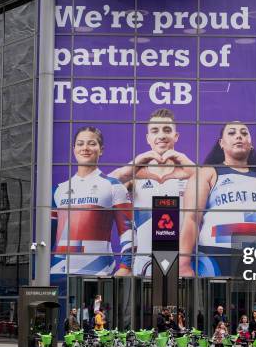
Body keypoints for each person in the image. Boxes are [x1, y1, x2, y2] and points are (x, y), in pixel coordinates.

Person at [179, 122, 256, 277]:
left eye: (244, 133)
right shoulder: (208, 174)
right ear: (221, 143)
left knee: (252, 302)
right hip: (216, 256)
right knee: (217, 301)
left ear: (251, 143)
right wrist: (183, 264)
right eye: (232, 133)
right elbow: (191, 219)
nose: (239, 136)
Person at [109, 109, 193, 276]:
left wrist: (191, 166)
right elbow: (102, 188)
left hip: (180, 261)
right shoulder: (136, 175)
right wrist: (133, 164)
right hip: (143, 261)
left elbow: (214, 187)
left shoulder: (189, 174)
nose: (161, 135)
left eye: (167, 130)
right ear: (148, 138)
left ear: (176, 136)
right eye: (155, 131)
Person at [51, 127, 134, 276]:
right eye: (80, 144)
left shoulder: (114, 186)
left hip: (99, 272)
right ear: (74, 149)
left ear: (101, 149)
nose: (85, 148)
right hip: (59, 272)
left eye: (91, 143)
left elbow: (128, 231)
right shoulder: (58, 190)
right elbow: (48, 236)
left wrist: (125, 267)